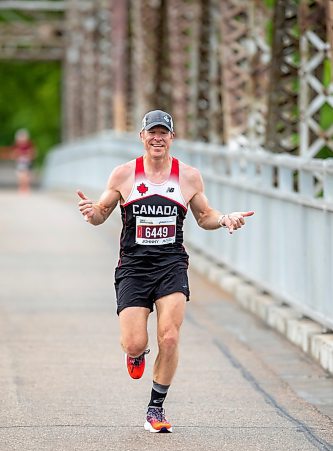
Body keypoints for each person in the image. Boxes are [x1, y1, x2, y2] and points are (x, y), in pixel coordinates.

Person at [77, 109, 254, 433]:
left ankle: (155, 408)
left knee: (170, 337)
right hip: (133, 267)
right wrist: (91, 213)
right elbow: (102, 212)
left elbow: (204, 216)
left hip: (171, 264)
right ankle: (136, 353)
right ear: (142, 137)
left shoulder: (187, 176)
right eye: (152, 132)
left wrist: (225, 218)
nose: (157, 138)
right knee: (133, 342)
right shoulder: (124, 174)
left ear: (172, 138)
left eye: (164, 133)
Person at [12, 129, 36, 193]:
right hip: (20, 162)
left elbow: (33, 153)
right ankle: (21, 188)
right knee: (20, 176)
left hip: (27, 162)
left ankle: (26, 188)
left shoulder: (29, 144)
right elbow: (14, 154)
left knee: (27, 176)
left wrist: (29, 155)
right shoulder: (16, 145)